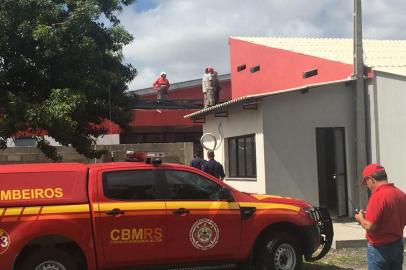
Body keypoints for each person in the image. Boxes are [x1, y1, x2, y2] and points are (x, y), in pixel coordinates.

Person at [355, 163, 406, 270]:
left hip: (379, 248)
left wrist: (360, 218)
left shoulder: (377, 196)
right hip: (397, 245)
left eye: (366, 182)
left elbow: (370, 226)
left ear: (371, 179)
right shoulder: (401, 195)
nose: (368, 186)